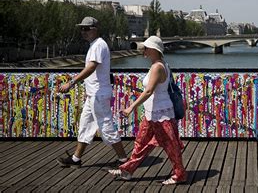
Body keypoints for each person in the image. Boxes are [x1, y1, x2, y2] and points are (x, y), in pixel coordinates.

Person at [108, 36, 186, 184]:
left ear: (153, 50)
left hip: (162, 113)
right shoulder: (160, 64)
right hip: (152, 113)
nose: (143, 50)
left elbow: (149, 91)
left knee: (171, 145)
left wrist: (131, 107)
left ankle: (179, 174)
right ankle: (127, 170)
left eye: (146, 48)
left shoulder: (157, 67)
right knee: (141, 143)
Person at [57, 16, 127, 168]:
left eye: (87, 28)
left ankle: (124, 160)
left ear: (95, 29)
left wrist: (72, 82)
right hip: (93, 95)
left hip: (98, 95)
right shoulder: (94, 45)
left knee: (106, 127)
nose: (83, 31)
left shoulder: (98, 45)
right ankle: (76, 159)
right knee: (85, 125)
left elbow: (91, 68)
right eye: (82, 28)